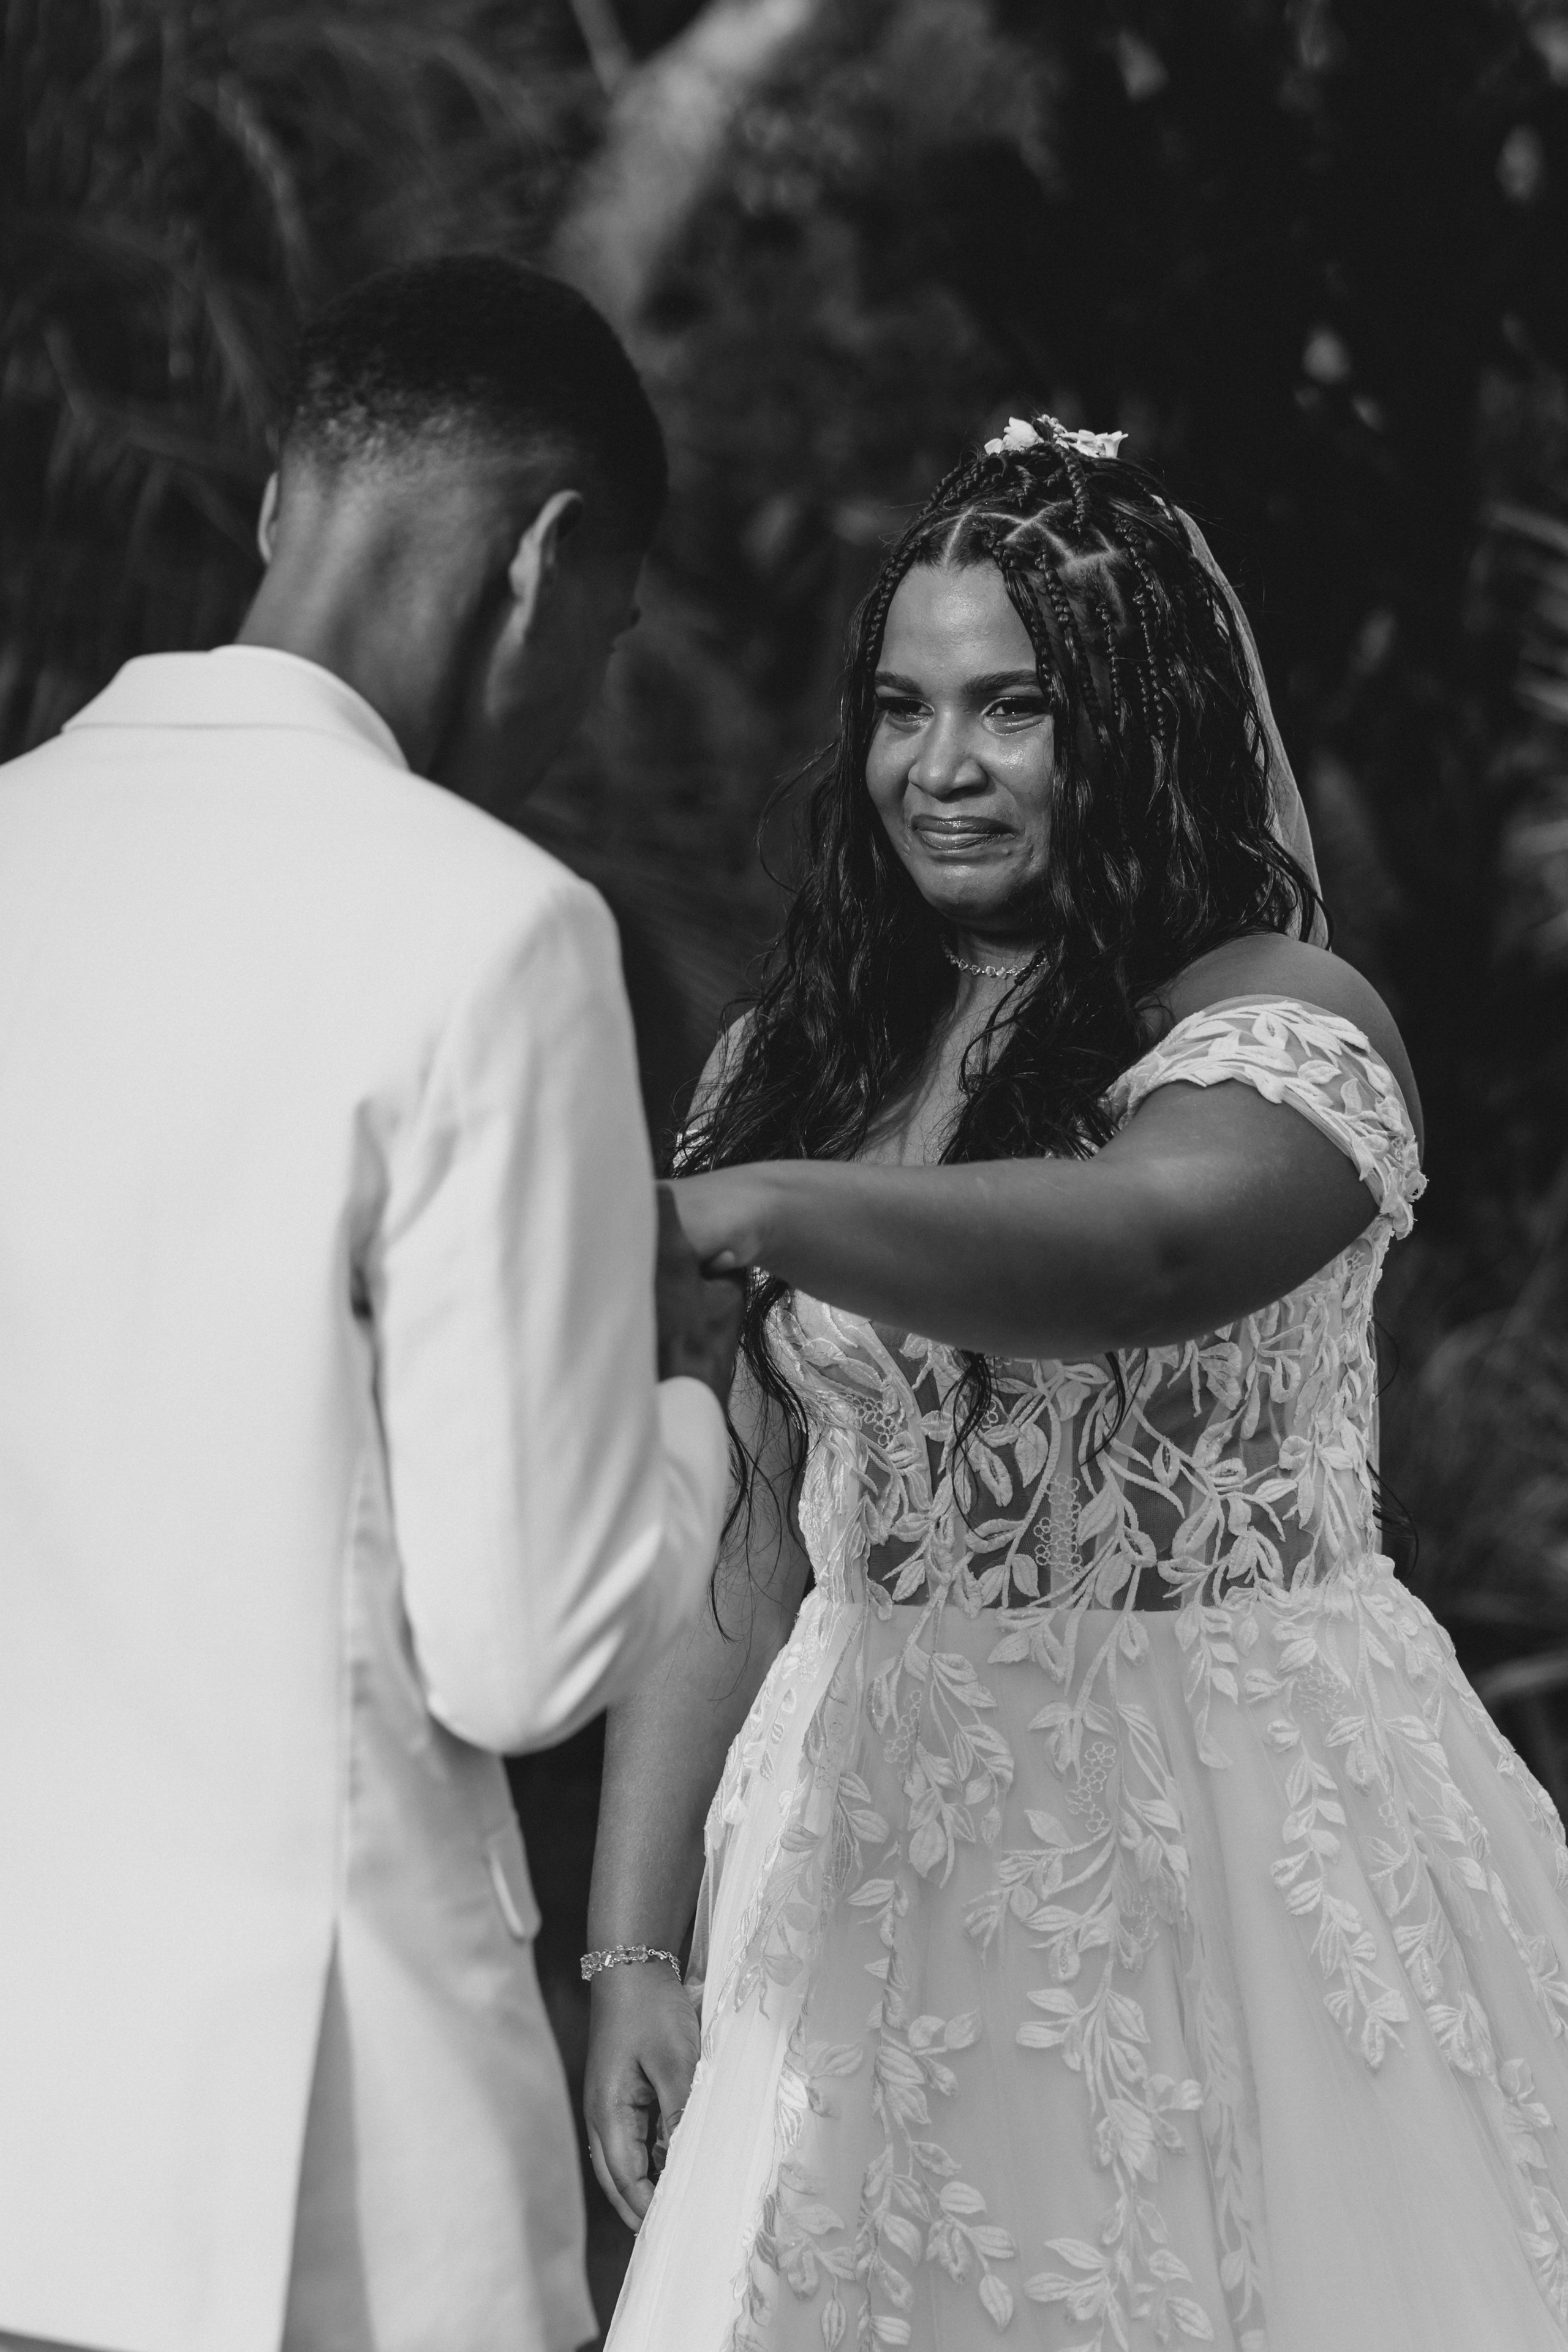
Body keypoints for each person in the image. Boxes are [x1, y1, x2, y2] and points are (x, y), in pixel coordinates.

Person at [585, 415, 1568, 2351]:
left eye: (1013, 709)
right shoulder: (794, 1054)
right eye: (902, 706)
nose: (939, 768)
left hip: (1232, 1829)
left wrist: (761, 1206)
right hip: (870, 1841)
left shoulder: (1277, 1019)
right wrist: (631, 1944)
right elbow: (753, 1527)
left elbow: (1143, 1255)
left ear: (1133, 726)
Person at [0, 255, 741, 2352]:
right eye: (607, 641)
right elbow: (528, 1651)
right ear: (548, 557)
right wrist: (700, 1441)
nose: (583, 689)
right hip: (322, 2158)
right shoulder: (493, 933)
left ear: (270, 514)